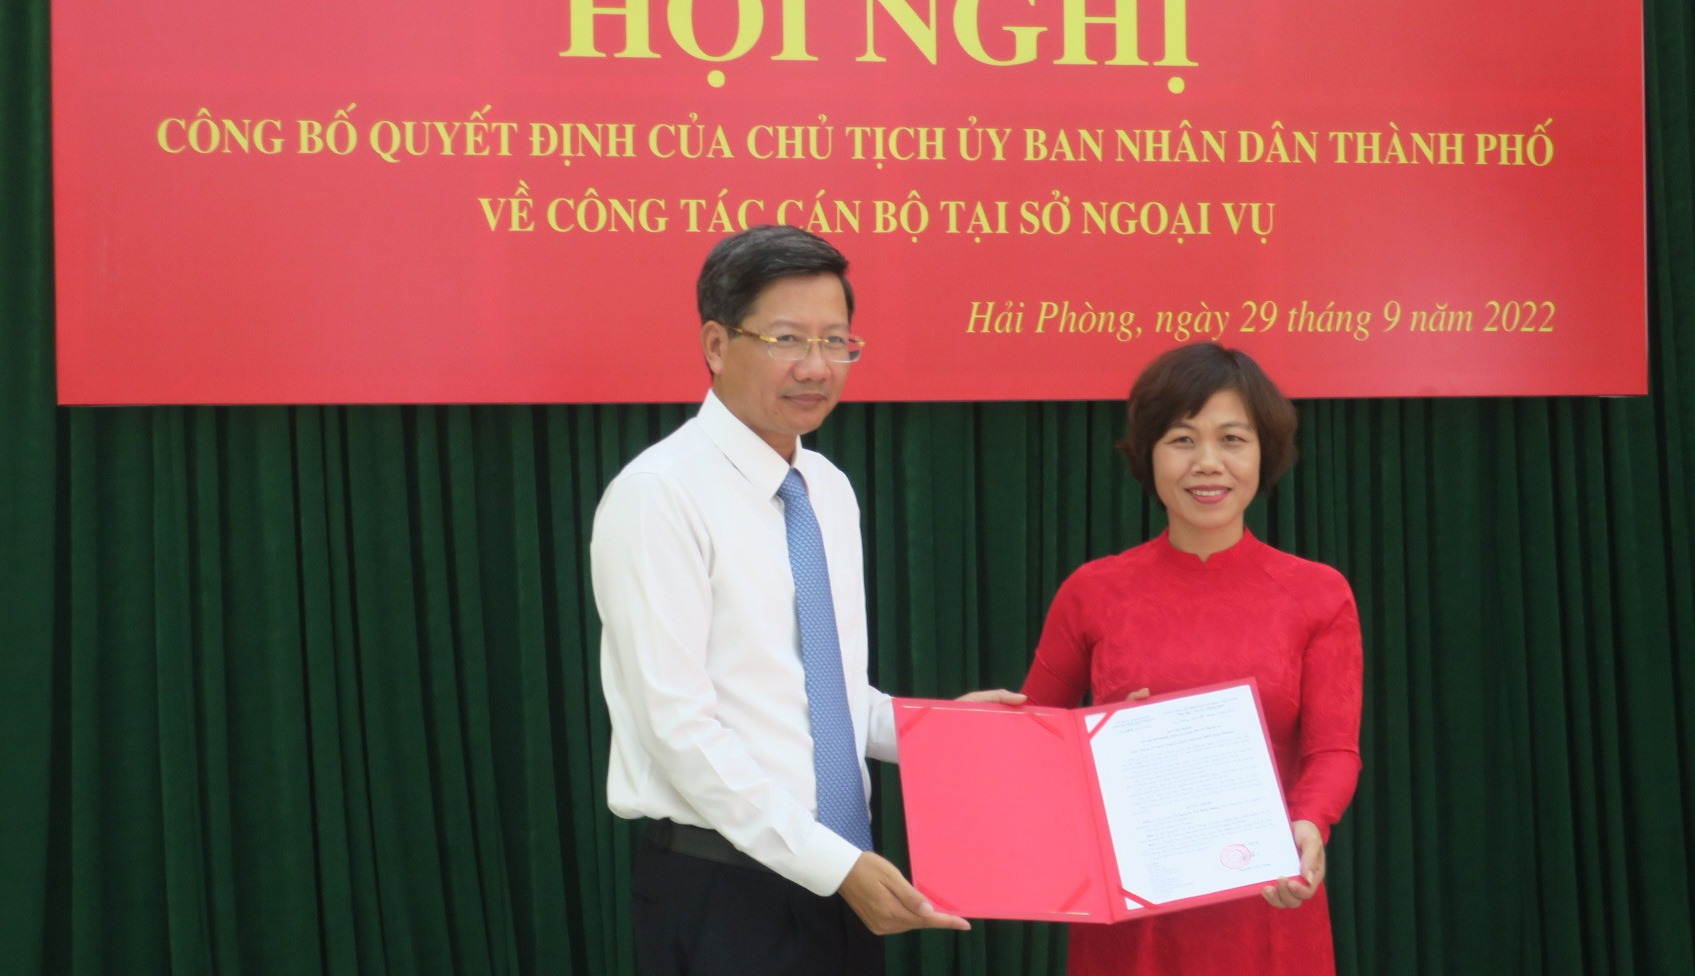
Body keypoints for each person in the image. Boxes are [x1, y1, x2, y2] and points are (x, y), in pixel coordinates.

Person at [592, 225, 1022, 976]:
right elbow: (678, 731)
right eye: (787, 339)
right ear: (717, 344)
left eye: (836, 342)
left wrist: (939, 732)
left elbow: (827, 699)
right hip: (726, 890)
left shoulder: (826, 487)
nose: (817, 367)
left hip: (839, 879)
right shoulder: (659, 495)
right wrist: (833, 865)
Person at [1020, 343, 1363, 975]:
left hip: (1267, 901)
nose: (1208, 462)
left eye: (1232, 439)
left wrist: (1310, 823)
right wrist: (1102, 743)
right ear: (1149, 455)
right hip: (1131, 918)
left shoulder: (1319, 593)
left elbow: (1334, 751)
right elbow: (1033, 741)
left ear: (1264, 453)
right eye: (1182, 439)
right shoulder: (1092, 591)